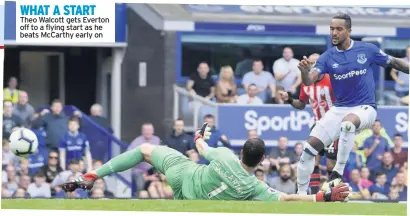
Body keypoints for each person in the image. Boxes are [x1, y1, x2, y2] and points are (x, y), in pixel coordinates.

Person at [61, 123, 350, 202]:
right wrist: (322, 198)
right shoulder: (254, 187)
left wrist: (200, 134)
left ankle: (93, 175)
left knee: (146, 149)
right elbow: (287, 199)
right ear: (261, 160)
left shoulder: (223, 154)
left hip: (183, 174)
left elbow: (200, 145)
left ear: (240, 153)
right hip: (195, 198)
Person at [296, 13, 409, 195]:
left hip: (365, 108)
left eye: (339, 29)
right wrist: (304, 72)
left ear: (349, 31)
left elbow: (394, 62)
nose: (334, 33)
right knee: (308, 150)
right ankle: (300, 196)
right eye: (332, 29)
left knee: (347, 124)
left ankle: (337, 173)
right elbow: (309, 80)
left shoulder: (367, 49)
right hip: (339, 109)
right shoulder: (327, 57)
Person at [279, 53, 338, 194]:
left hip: (335, 125)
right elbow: (301, 104)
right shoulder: (306, 84)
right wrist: (289, 99)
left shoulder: (332, 80)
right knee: (312, 159)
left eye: (314, 63)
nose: (311, 66)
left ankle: (333, 194)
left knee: (331, 164)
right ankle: (313, 195)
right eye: (309, 63)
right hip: (317, 124)